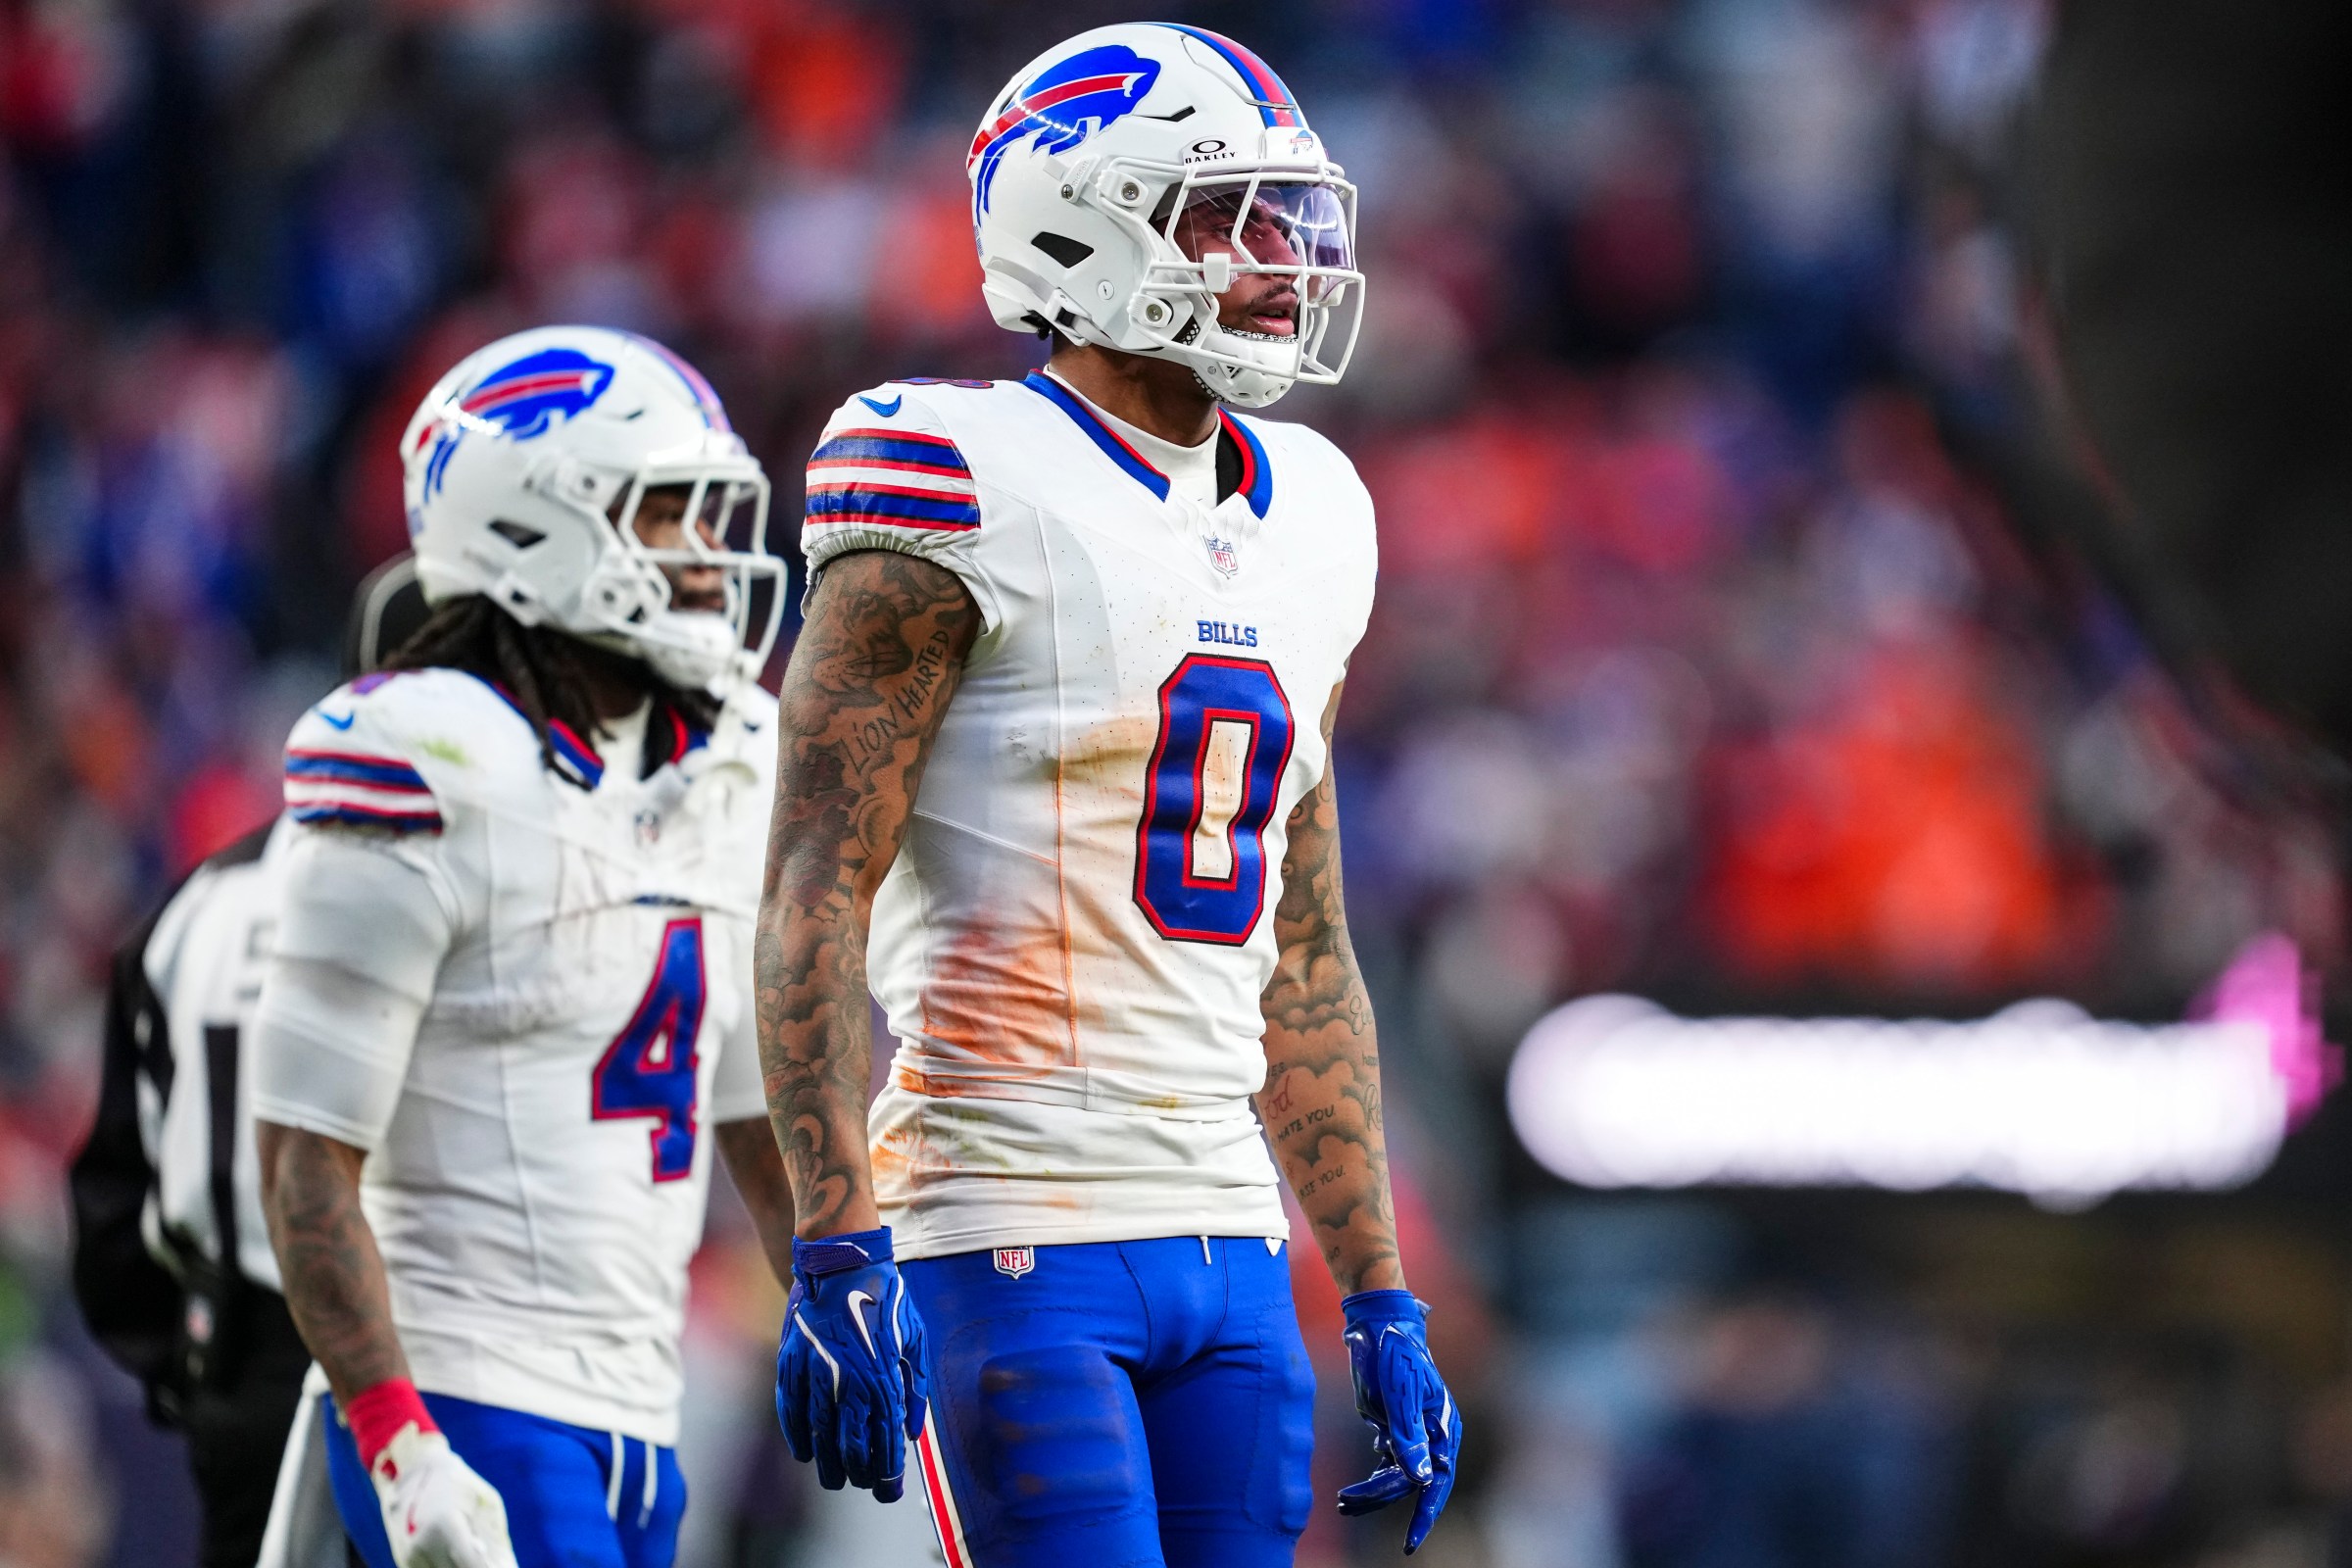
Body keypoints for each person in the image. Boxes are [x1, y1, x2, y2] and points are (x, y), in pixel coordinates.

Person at [757, 24, 1461, 1567]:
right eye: (1229, 217)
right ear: (1080, 225)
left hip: (1232, 1236)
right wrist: (833, 1236)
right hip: (1007, 1220)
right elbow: (814, 878)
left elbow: (1303, 945)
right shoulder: (953, 466)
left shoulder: (1318, 510)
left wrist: (1379, 1287)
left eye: (1293, 217)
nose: (1283, 260)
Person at [249, 325, 798, 1568]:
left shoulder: (725, 761)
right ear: (533, 522)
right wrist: (398, 1441)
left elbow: (754, 1104)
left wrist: (843, 1277)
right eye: (666, 514)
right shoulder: (431, 760)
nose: (707, 555)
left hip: (643, 1411)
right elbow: (302, 1161)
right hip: (467, 1393)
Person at [69, 559, 428, 1568]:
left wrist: (193, 1371)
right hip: (424, 1365)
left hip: (239, 1368)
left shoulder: (197, 907)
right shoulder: (484, 905)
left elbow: (111, 1204)